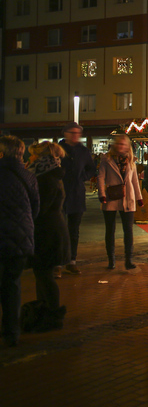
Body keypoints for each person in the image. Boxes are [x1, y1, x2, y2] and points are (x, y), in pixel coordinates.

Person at [26, 142, 70, 331]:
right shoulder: (48, 175)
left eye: (33, 155)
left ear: (42, 158)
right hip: (49, 231)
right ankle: (46, 311)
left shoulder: (46, 179)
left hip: (48, 233)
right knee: (42, 275)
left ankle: (52, 314)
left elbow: (40, 209)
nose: (30, 159)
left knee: (45, 275)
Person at [0, 136, 39, 347]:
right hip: (21, 238)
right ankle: (11, 331)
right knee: (12, 285)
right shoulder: (29, 176)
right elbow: (36, 208)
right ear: (21, 152)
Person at [98, 134, 143, 270]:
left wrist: (139, 197)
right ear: (115, 145)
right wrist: (102, 194)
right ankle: (111, 260)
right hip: (111, 197)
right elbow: (101, 177)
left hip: (127, 197)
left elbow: (134, 180)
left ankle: (128, 259)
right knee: (110, 230)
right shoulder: (106, 159)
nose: (121, 147)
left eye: (124, 144)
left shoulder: (131, 161)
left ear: (127, 146)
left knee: (128, 230)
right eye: (119, 144)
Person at [58, 122, 96, 275]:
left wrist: (83, 177)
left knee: (74, 229)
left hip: (77, 194)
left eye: (77, 133)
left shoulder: (83, 151)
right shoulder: (58, 149)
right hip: (59, 193)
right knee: (60, 229)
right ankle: (58, 262)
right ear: (65, 133)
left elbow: (91, 168)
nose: (75, 135)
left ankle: (72, 260)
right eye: (71, 132)